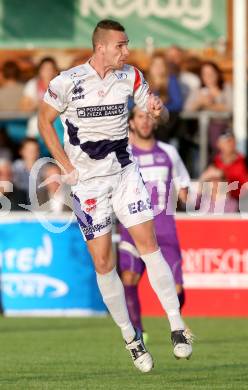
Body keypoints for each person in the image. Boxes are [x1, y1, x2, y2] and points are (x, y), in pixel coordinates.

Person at [38, 19, 193, 373]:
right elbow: (43, 121)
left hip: (124, 174)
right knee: (105, 263)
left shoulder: (132, 77)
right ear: (102, 47)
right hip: (87, 185)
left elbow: (161, 114)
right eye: (121, 45)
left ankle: (177, 325)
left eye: (127, 45)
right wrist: (64, 165)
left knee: (148, 245)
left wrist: (159, 110)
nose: (127, 51)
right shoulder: (67, 82)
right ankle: (131, 337)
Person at [118, 106, 190, 338]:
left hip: (164, 228)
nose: (146, 121)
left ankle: (176, 324)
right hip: (133, 226)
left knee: (178, 290)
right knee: (129, 276)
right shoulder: (124, 153)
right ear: (131, 123)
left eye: (149, 116)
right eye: (140, 116)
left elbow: (184, 186)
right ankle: (139, 333)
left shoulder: (169, 152)